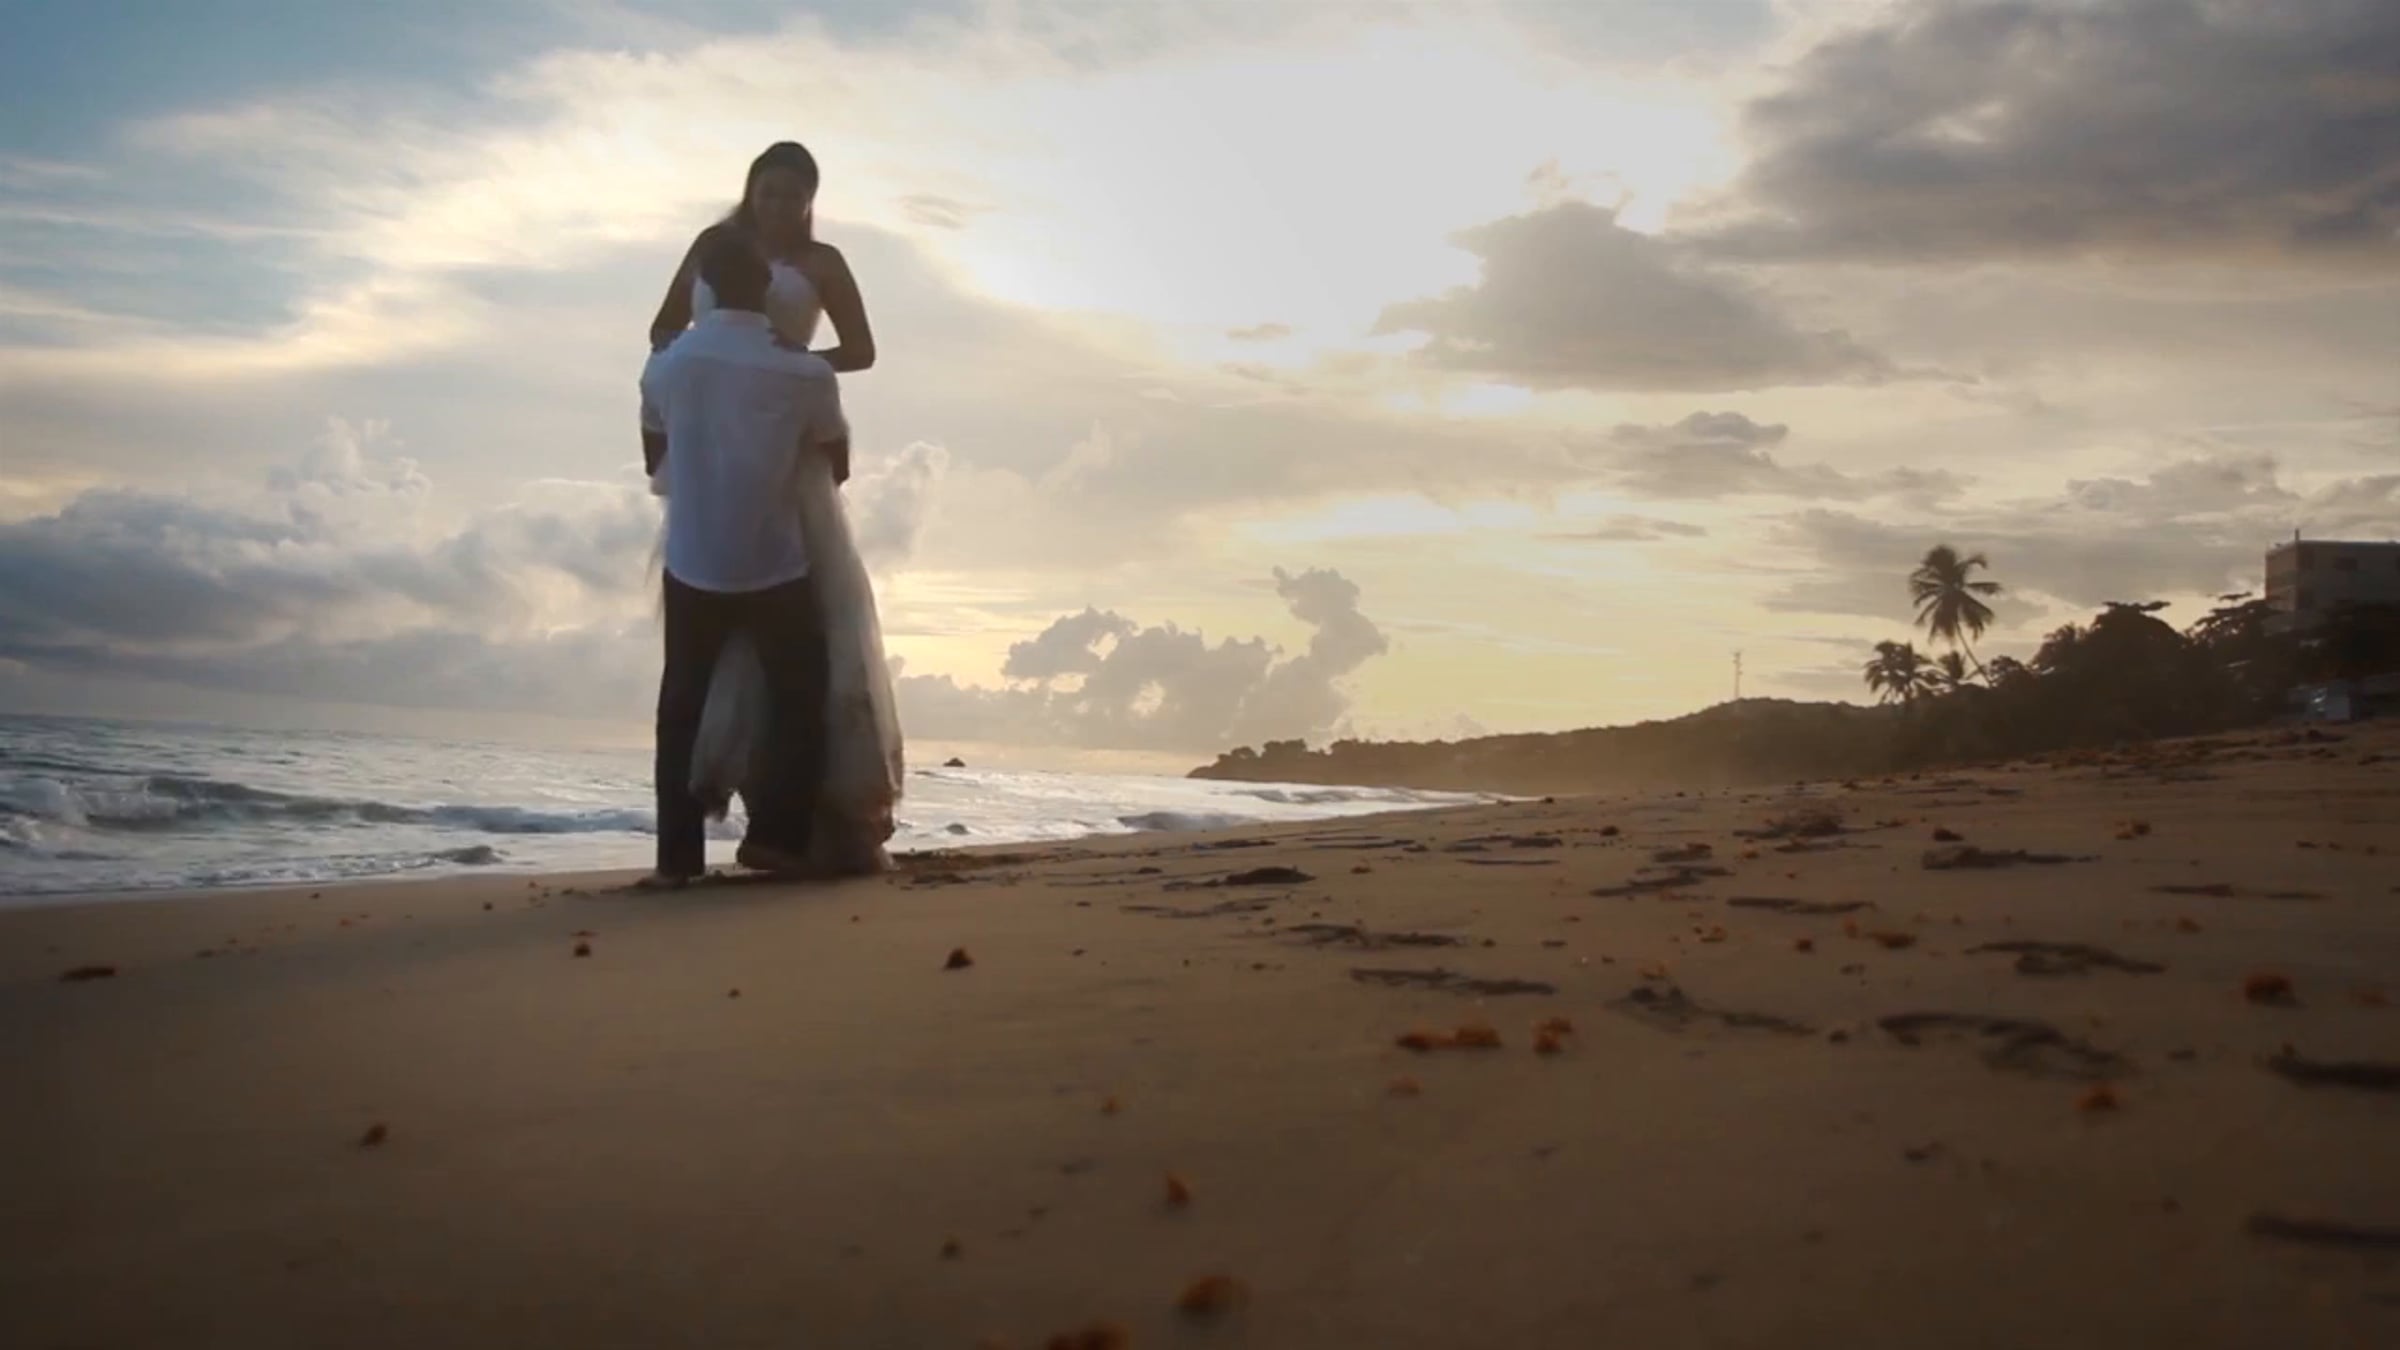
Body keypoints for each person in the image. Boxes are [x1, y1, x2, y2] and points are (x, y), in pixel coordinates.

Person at [639, 233, 847, 885]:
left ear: (704, 286)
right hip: (774, 558)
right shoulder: (806, 373)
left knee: (681, 704)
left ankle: (677, 860)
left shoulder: (668, 365)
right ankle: (777, 837)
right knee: (799, 695)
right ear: (765, 290)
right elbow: (834, 461)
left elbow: (653, 455)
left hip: (693, 556)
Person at [644, 141, 875, 482]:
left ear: (809, 201)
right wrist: (699, 355)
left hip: (779, 409)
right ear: (751, 192)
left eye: (792, 197)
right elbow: (664, 328)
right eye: (769, 194)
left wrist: (799, 361)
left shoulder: (823, 261)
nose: (778, 206)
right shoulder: (713, 244)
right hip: (708, 407)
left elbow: (861, 351)